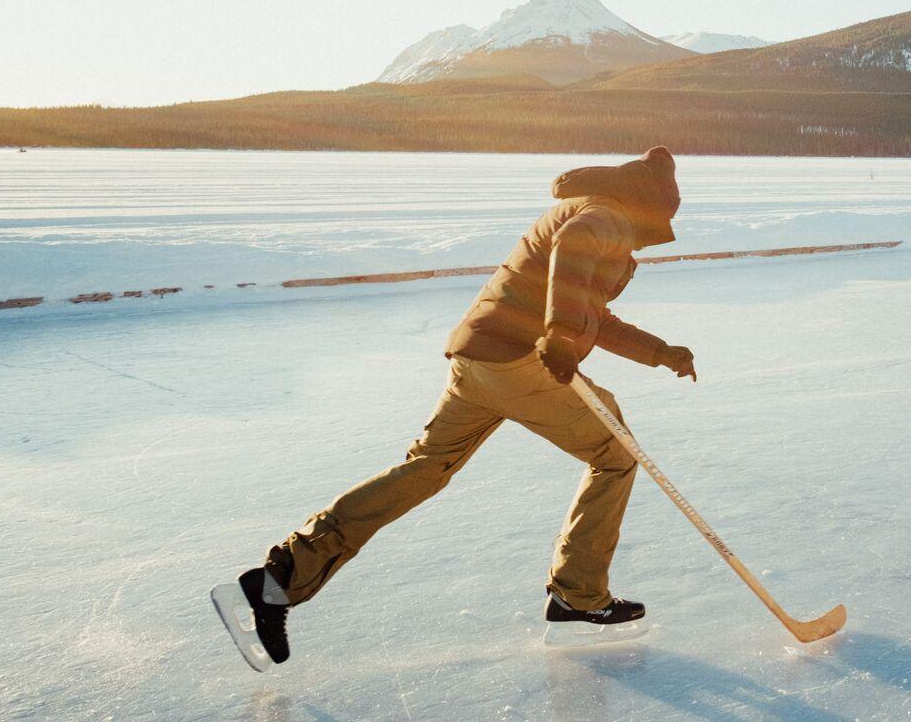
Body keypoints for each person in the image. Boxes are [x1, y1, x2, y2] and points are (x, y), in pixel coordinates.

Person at [212, 147, 696, 670]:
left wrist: (658, 352)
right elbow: (573, 256)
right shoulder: (605, 217)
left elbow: (590, 311)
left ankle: (277, 579)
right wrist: (556, 334)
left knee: (425, 468)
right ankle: (578, 597)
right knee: (616, 455)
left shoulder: (588, 209)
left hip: (477, 358)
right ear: (650, 205)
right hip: (521, 362)